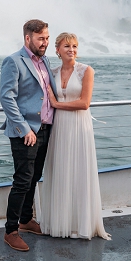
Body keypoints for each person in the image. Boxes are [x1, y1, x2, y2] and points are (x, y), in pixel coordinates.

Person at [39, 32, 110, 240]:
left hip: (80, 126)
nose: (72, 50)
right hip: (59, 127)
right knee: (61, 170)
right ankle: (59, 223)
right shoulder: (51, 72)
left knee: (79, 171)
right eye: (67, 46)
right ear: (57, 50)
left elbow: (84, 103)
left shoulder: (86, 71)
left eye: (75, 46)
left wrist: (57, 104)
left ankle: (81, 223)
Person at [0, 19, 57, 252]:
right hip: (26, 133)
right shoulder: (13, 61)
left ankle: (26, 220)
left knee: (35, 177)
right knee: (22, 181)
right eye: (40, 38)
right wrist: (24, 129)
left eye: (47, 38)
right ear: (27, 38)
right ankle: (10, 231)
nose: (45, 43)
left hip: (45, 129)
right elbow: (7, 98)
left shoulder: (45, 60)